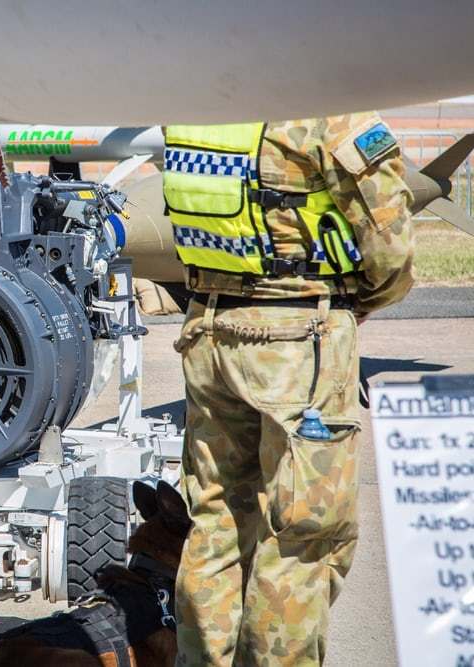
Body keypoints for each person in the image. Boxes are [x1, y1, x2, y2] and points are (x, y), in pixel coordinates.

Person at [162, 115, 414, 665]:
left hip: (208, 330)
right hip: (296, 343)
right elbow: (391, 248)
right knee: (304, 533)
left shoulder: (194, 101)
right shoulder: (324, 106)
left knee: (216, 522)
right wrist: (361, 301)